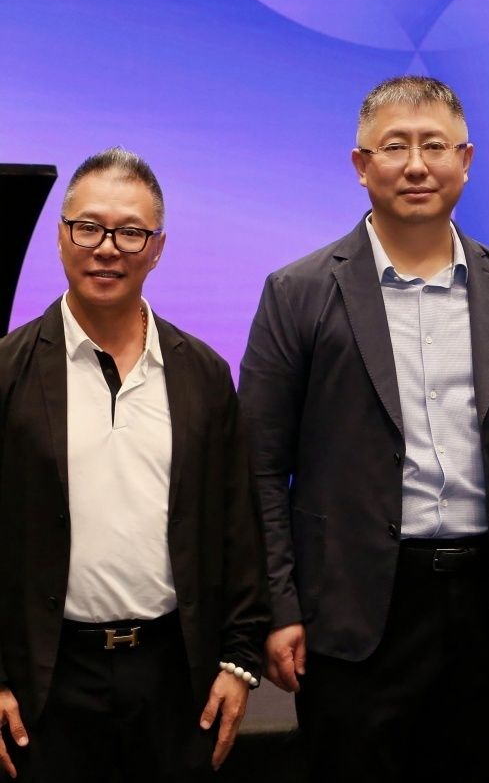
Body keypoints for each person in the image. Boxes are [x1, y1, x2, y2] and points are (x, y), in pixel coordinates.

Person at [238, 76, 489, 780]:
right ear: (360, 164)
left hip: (481, 604)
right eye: (395, 146)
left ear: (466, 159)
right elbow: (259, 465)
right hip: (351, 607)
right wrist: (279, 607)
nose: (416, 165)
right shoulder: (299, 291)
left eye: (435, 145)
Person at [0, 148, 269, 781]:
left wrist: (239, 661)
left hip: (175, 676)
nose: (106, 248)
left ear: (157, 248)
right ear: (61, 236)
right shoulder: (8, 372)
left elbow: (238, 525)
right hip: (48, 679)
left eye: (130, 232)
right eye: (88, 228)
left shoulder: (202, 374)